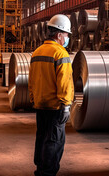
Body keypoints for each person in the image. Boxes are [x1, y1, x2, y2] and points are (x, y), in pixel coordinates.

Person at [28, 14, 74, 176]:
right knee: (54, 141)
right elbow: (65, 82)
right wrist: (66, 105)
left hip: (40, 104)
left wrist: (34, 99)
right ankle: (47, 173)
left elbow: (31, 80)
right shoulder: (60, 54)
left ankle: (40, 168)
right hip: (56, 106)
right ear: (59, 34)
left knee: (41, 137)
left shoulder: (37, 52)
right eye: (67, 34)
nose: (67, 38)